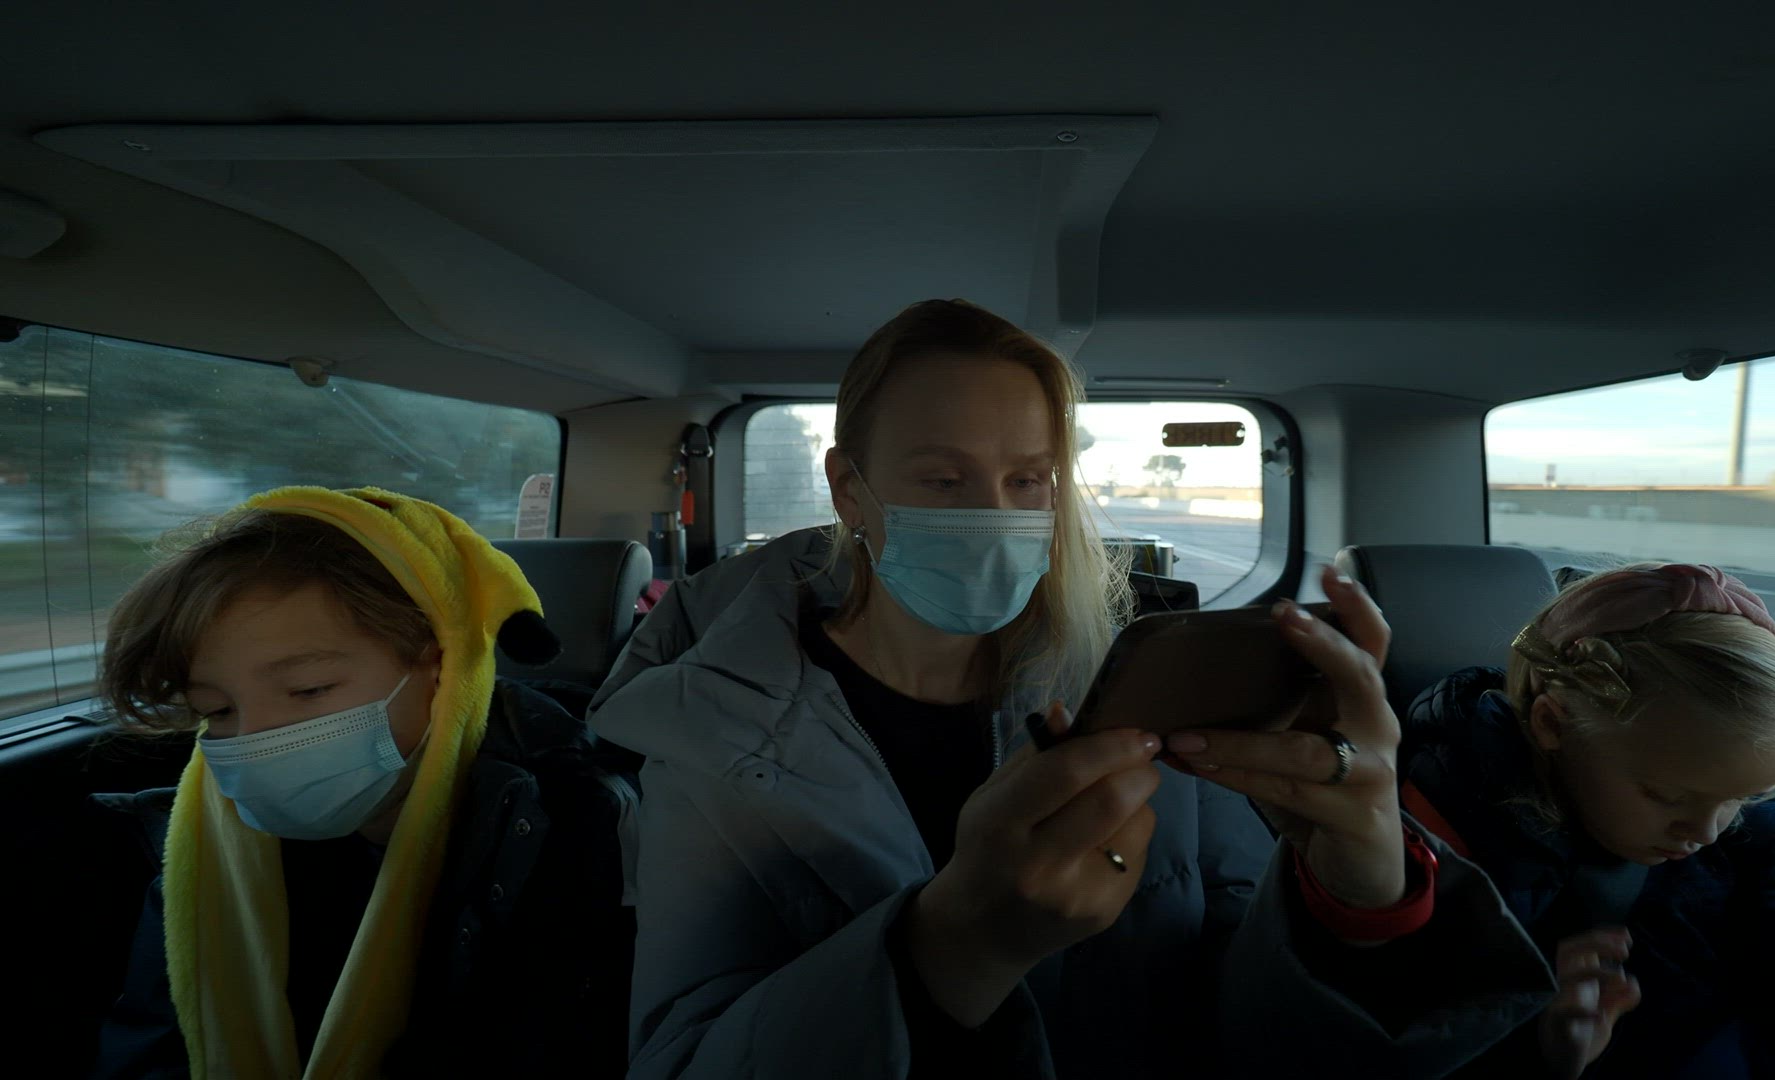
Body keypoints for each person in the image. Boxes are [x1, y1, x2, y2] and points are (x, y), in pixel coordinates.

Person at [588, 298, 1555, 1078]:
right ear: (850, 490)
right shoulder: (709, 727)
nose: (996, 514)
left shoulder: (1139, 687)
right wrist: (951, 949)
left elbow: (1240, 1019)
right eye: (944, 481)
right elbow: (679, 1058)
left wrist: (1356, 891)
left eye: (1029, 480)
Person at [89, 487, 637, 1079]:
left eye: (309, 690)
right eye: (217, 710)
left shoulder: (577, 825)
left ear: (441, 663)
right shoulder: (201, 853)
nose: (256, 736)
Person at [1401, 563, 1775, 1078]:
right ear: (1553, 725)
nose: (1707, 832)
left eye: (1746, 797)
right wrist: (1536, 1049)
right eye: (1667, 796)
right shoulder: (1445, 852)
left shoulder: (1750, 821)